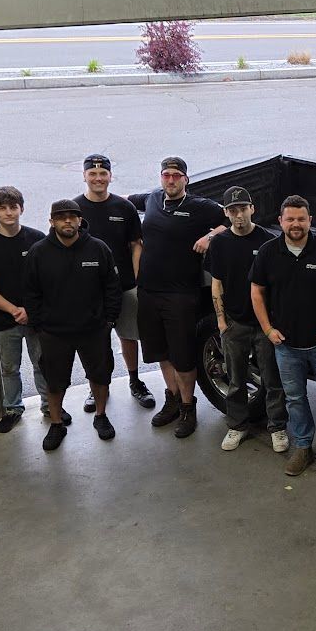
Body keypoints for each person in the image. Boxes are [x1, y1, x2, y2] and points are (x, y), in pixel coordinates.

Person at [249, 194, 316, 486]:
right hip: (287, 347)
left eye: (301, 219)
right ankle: (303, 448)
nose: (296, 224)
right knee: (295, 399)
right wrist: (269, 330)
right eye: (290, 219)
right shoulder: (269, 252)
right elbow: (257, 291)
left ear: (311, 221)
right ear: (280, 221)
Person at [130, 157, 226, 439]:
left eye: (176, 176)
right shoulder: (152, 199)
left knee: (183, 355)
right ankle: (171, 400)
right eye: (166, 175)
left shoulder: (200, 207)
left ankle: (188, 407)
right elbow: (121, 200)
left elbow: (231, 218)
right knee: (161, 352)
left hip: (180, 294)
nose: (170, 180)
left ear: (186, 179)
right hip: (148, 292)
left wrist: (211, 237)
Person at [24, 199, 122, 451]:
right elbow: (31, 292)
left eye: (72, 216)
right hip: (54, 332)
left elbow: (112, 287)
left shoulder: (98, 249)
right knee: (55, 381)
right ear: (52, 221)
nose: (67, 220)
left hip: (93, 329)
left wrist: (109, 319)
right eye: (61, 217)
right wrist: (39, 324)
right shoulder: (39, 252)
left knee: (100, 376)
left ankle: (100, 416)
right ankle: (56, 424)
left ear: (80, 220)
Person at [204, 186, 289, 453]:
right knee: (236, 379)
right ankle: (237, 426)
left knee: (272, 380)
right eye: (232, 210)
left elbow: (277, 285)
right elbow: (216, 284)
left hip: (264, 325)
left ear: (252, 208)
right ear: (226, 213)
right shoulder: (219, 243)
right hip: (234, 324)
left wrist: (273, 324)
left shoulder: (267, 242)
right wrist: (221, 321)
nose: (238, 215)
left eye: (242, 209)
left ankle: (277, 427)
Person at [0, 185, 51, 433]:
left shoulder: (37, 239)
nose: (9, 213)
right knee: (9, 368)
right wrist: (14, 310)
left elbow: (48, 277)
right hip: (4, 320)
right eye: (2, 208)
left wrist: (30, 310)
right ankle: (13, 408)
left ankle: (50, 406)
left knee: (43, 363)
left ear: (21, 209)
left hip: (36, 318)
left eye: (13, 207)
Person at [75, 153, 155, 413]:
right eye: (93, 174)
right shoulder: (74, 210)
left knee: (129, 336)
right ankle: (96, 386)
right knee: (95, 340)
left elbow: (136, 245)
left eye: (103, 174)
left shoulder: (124, 208)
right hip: (89, 291)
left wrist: (136, 280)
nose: (98, 178)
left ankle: (135, 380)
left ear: (110, 176)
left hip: (124, 287)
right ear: (85, 176)